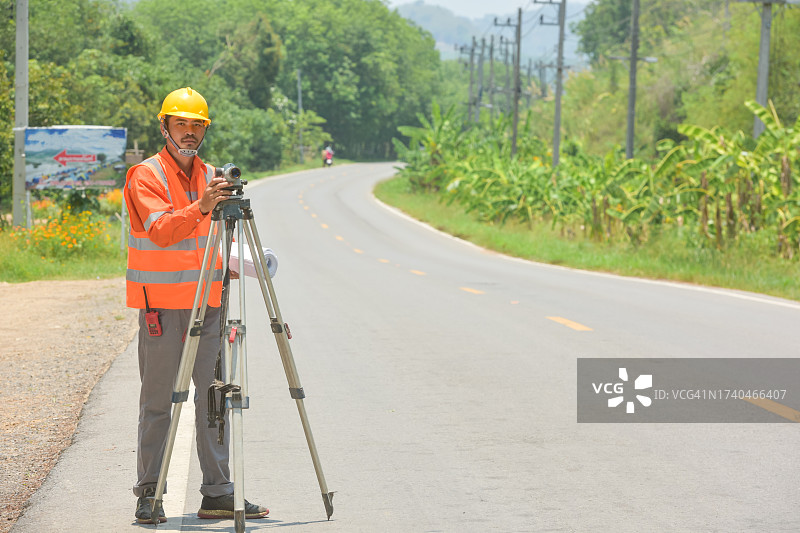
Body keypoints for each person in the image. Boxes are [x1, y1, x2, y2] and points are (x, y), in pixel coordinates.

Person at [123, 87, 269, 524]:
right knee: (158, 404)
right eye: (181, 123)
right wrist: (203, 205)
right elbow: (163, 231)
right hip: (163, 310)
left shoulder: (211, 174)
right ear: (164, 125)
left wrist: (248, 262)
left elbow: (216, 242)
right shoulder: (144, 176)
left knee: (214, 401)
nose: (189, 132)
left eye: (197, 125)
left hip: (209, 307)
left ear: (205, 129)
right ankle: (149, 494)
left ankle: (218, 493)